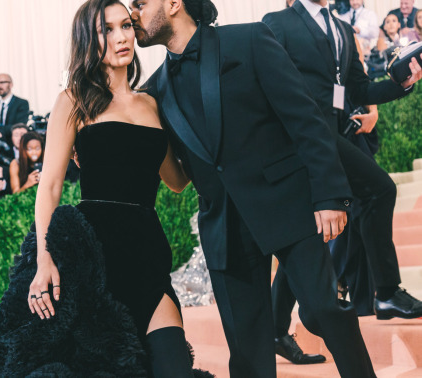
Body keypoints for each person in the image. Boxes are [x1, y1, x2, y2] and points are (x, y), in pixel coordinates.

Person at [130, 0, 378, 376]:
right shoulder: (155, 90)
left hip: (287, 203)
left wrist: (329, 194)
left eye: (139, 3)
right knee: (246, 350)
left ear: (174, 3)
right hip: (223, 226)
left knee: (327, 310)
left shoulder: (248, 40)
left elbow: (306, 120)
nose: (134, 13)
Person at [0, 1, 210, 377]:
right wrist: (43, 257)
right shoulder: (73, 100)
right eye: (107, 29)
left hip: (146, 253)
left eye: (125, 26)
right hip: (94, 258)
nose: (121, 37)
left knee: (174, 367)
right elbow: (50, 186)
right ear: (89, 38)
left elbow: (176, 180)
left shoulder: (152, 103)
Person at [263, 0, 422, 359]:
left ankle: (274, 330)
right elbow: (266, 85)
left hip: (334, 135)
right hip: (303, 138)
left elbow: (358, 89)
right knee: (380, 189)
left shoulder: (342, 30)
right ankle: (385, 292)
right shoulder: (277, 23)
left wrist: (402, 83)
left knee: (306, 235)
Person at [0, 73, 30, 148]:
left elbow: (19, 126)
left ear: (11, 84)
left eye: (2, 82)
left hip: (12, 145)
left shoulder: (21, 103)